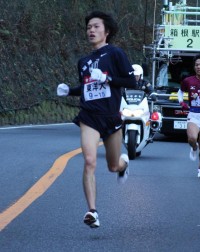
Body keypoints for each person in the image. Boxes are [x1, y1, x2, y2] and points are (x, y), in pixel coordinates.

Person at [56, 11, 136, 228]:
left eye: (96, 26)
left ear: (106, 31)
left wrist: (108, 78)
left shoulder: (115, 54)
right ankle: (92, 211)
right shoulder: (84, 61)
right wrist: (69, 90)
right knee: (90, 161)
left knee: (112, 166)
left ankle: (122, 165)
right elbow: (86, 88)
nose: (91, 30)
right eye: (88, 27)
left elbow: (132, 82)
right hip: (89, 116)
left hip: (111, 118)